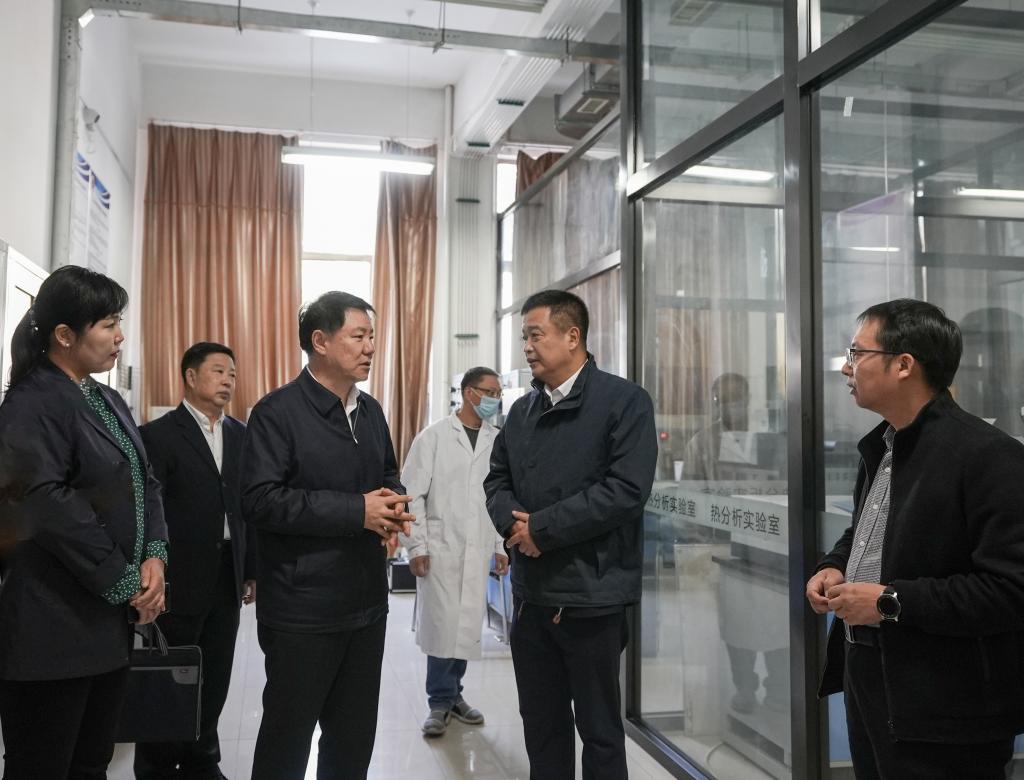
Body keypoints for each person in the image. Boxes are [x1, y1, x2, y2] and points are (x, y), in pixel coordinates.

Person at [805, 299, 1024, 780]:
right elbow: (867, 528)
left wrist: (889, 602)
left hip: (947, 706)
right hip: (872, 679)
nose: (846, 367)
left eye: (857, 353)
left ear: (903, 364)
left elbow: (1010, 590)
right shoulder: (884, 445)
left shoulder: (989, 457)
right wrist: (834, 564)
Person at [0, 265, 167, 779]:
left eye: (119, 322)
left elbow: (145, 481)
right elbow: (46, 504)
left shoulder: (104, 397)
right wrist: (122, 580)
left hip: (104, 626)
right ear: (64, 335)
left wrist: (155, 556)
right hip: (52, 625)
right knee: (43, 765)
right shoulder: (32, 402)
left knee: (92, 762)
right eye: (108, 324)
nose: (120, 337)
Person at [240, 291, 414, 780]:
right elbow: (260, 500)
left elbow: (388, 473)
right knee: (287, 739)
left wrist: (393, 508)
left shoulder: (370, 410)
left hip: (366, 604)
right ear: (320, 341)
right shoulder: (276, 413)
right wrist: (358, 510)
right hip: (302, 610)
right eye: (359, 336)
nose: (370, 347)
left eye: (372, 337)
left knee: (353, 739)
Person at [484, 289, 656, 779]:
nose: (527, 347)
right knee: (541, 725)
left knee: (599, 731)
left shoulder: (623, 402)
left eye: (535, 335)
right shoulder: (523, 412)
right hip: (531, 596)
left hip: (591, 597)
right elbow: (497, 480)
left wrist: (542, 529)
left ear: (572, 336)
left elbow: (625, 490)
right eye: (524, 337)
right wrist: (514, 526)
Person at [135, 342, 256, 780]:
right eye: (218, 371)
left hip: (226, 575)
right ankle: (157, 766)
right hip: (176, 577)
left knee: (216, 675)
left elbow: (247, 508)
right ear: (190, 376)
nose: (228, 381)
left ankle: (203, 760)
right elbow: (147, 511)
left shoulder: (241, 435)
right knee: (169, 676)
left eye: (232, 374)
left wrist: (250, 569)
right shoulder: (158, 435)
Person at [399, 366, 509, 737]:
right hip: (440, 546)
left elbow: (499, 497)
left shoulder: (498, 440)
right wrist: (417, 545)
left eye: (498, 392)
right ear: (468, 392)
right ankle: (439, 701)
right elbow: (412, 495)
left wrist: (500, 545)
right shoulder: (433, 437)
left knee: (464, 625)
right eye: (489, 391)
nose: (495, 399)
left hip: (478, 545)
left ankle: (455, 695)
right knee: (443, 625)